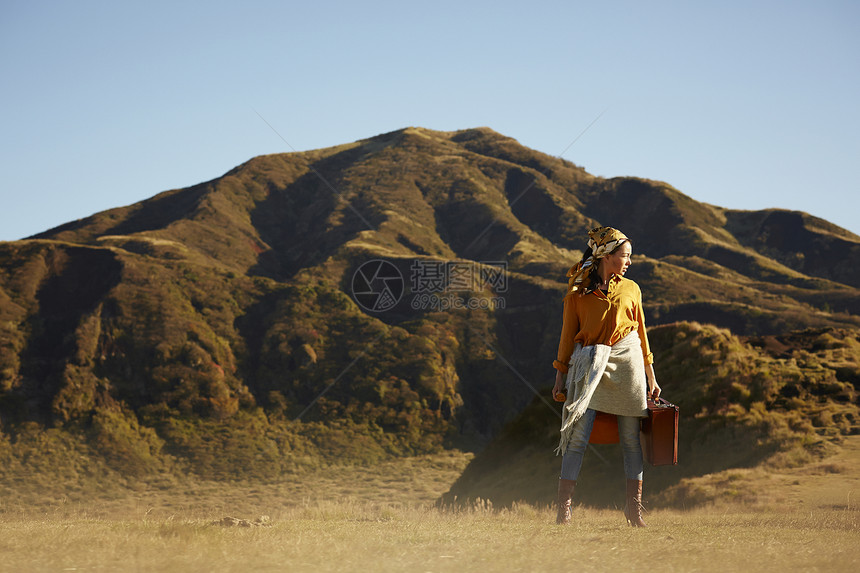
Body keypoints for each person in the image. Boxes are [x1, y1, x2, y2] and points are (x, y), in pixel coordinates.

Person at [550, 226, 660, 527]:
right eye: (625, 256)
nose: (629, 262)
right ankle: (564, 511)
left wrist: (651, 375)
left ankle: (634, 510)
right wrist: (561, 373)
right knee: (576, 439)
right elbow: (567, 334)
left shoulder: (632, 289)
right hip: (588, 367)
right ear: (606, 256)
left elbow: (641, 333)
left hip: (628, 365)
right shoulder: (577, 291)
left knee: (631, 441)